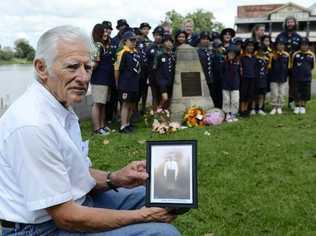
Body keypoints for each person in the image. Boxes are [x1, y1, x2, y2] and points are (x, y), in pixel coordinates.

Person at [0, 25, 180, 235]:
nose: (84, 78)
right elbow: (67, 217)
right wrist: (143, 216)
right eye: (72, 67)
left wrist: (116, 178)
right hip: (40, 229)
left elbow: (74, 174)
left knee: (153, 195)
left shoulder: (58, 105)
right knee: (163, 233)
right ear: (41, 68)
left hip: (76, 204)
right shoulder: (32, 125)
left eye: (87, 67)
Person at [114, 31, 142, 133]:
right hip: (125, 83)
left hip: (134, 82)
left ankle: (128, 123)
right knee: (125, 104)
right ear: (125, 41)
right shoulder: (122, 53)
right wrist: (117, 83)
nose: (134, 42)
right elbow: (117, 69)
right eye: (132, 40)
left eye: (135, 40)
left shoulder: (135, 52)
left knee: (132, 104)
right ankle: (123, 126)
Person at [90, 24, 114, 135]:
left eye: (106, 31)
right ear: (97, 33)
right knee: (98, 103)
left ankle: (102, 125)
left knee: (103, 103)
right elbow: (93, 64)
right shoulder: (97, 46)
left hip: (107, 79)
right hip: (99, 79)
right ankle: (97, 129)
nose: (106, 33)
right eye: (103, 32)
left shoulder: (105, 45)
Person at [275, 16, 302, 109]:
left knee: (293, 84)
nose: (290, 24)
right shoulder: (280, 36)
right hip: (281, 64)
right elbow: (275, 49)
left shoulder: (298, 37)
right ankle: (278, 104)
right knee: (279, 83)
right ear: (285, 24)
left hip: (295, 65)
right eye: (288, 22)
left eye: (292, 22)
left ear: (295, 24)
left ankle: (291, 102)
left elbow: (302, 51)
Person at [292, 37, 315, 114]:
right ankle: (297, 106)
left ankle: (303, 106)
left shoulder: (311, 55)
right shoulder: (296, 54)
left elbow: (312, 66)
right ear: (300, 45)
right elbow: (292, 65)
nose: (304, 46)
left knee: (305, 93)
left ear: (308, 46)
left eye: (306, 45)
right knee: (297, 92)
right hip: (297, 77)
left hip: (307, 78)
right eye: (302, 45)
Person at [154, 34, 176, 109]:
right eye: (166, 41)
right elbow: (155, 68)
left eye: (170, 41)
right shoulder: (160, 55)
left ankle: (165, 114)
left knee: (169, 99)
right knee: (164, 98)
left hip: (171, 80)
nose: (169, 43)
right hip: (162, 81)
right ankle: (158, 111)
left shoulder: (174, 55)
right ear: (163, 43)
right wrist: (158, 80)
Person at [269, 37, 290, 115]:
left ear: (284, 46)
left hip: (283, 78)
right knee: (274, 93)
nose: (280, 46)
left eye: (282, 45)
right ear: (276, 46)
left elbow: (288, 66)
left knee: (282, 93)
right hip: (274, 78)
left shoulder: (287, 55)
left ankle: (280, 107)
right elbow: (269, 67)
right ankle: (274, 107)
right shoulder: (272, 55)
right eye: (279, 45)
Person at [221, 45, 241, 122]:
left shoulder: (238, 63)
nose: (231, 55)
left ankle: (233, 114)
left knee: (235, 100)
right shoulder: (224, 63)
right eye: (230, 53)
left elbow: (239, 73)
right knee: (226, 101)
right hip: (226, 85)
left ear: (236, 54)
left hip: (235, 85)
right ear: (227, 54)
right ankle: (227, 115)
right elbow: (221, 73)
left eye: (233, 54)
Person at [146, 26, 165, 110]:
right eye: (156, 35)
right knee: (154, 96)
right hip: (152, 75)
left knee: (163, 95)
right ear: (153, 35)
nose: (158, 37)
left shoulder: (165, 47)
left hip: (163, 76)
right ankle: (154, 116)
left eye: (160, 35)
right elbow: (146, 62)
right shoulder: (149, 47)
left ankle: (164, 114)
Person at [239, 38, 257, 116]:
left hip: (252, 78)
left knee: (249, 94)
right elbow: (240, 68)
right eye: (249, 46)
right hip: (244, 78)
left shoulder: (254, 57)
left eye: (252, 46)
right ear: (245, 46)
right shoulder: (242, 57)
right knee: (243, 94)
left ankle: (246, 109)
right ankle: (242, 110)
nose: (250, 47)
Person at [197, 31, 215, 103]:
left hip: (211, 79)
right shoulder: (197, 52)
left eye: (207, 39)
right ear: (200, 40)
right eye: (203, 39)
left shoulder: (211, 52)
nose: (206, 40)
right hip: (202, 80)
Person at [255, 44, 270, 115]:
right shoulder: (255, 58)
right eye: (259, 50)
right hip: (255, 79)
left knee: (262, 94)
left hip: (263, 79)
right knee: (255, 94)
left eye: (263, 50)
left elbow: (267, 69)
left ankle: (260, 108)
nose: (261, 51)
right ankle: (253, 108)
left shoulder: (267, 59)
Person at [212, 38, 225, 108]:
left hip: (222, 79)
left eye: (221, 46)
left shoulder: (223, 57)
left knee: (221, 95)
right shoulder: (213, 56)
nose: (220, 48)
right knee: (215, 95)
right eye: (218, 46)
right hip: (215, 79)